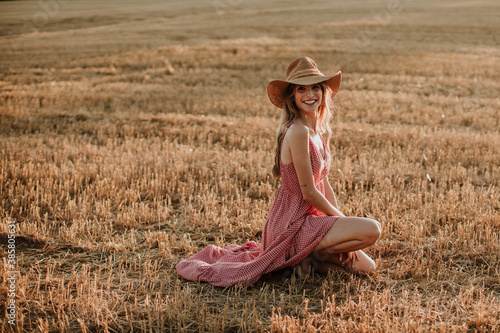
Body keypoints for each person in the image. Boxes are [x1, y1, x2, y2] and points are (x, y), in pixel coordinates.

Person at [175, 57, 381, 287]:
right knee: (372, 229)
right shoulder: (298, 132)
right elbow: (309, 193)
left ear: (324, 92)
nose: (309, 94)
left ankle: (305, 262)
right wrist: (341, 220)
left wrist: (339, 221)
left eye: (315, 87)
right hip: (291, 224)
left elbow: (324, 182)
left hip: (311, 220)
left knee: (367, 267)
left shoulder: (318, 131)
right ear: (292, 96)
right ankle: (296, 257)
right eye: (301, 89)